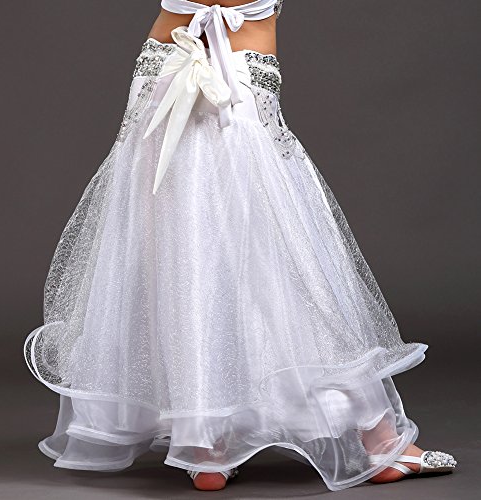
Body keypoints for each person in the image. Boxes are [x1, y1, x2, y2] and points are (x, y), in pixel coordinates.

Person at [24, 0, 457, 492]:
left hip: (165, 60)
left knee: (176, 250)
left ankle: (205, 448)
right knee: (279, 257)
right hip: (237, 73)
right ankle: (376, 438)